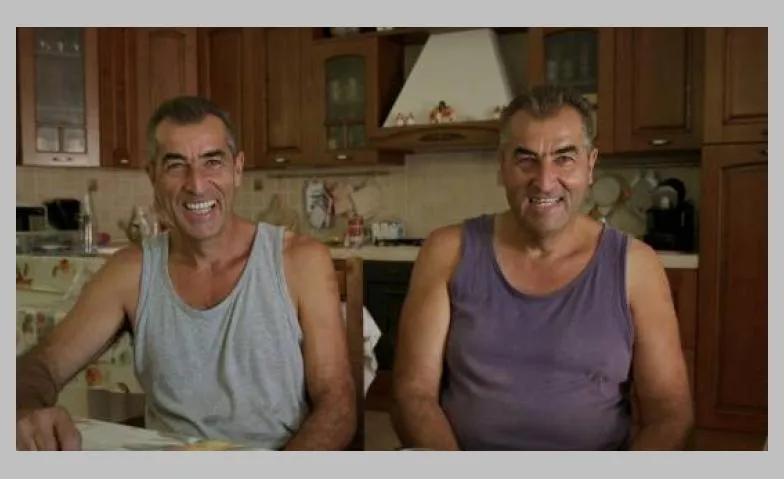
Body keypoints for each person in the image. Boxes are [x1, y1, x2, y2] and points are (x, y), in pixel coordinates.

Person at [16, 96, 356, 451]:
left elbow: (337, 403)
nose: (196, 184)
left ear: (237, 169)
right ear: (153, 176)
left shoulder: (301, 261)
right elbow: (43, 365)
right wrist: (24, 410)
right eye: (176, 165)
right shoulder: (130, 272)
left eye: (213, 162)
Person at [391, 85, 694, 451]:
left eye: (564, 158)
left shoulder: (636, 266)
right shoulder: (446, 252)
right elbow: (413, 395)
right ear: (502, 166)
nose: (545, 181)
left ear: (590, 165)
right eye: (526, 160)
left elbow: (669, 414)